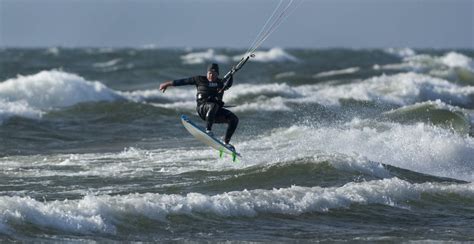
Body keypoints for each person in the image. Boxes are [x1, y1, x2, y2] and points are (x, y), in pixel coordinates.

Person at [159, 63, 239, 150]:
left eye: (214, 73)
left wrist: (231, 74)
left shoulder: (220, 83)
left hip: (215, 112)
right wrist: (167, 84)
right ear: (207, 73)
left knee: (234, 119)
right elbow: (183, 81)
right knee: (213, 105)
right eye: (209, 73)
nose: (211, 75)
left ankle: (226, 143)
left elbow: (228, 85)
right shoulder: (200, 79)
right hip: (203, 109)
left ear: (217, 74)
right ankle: (208, 130)